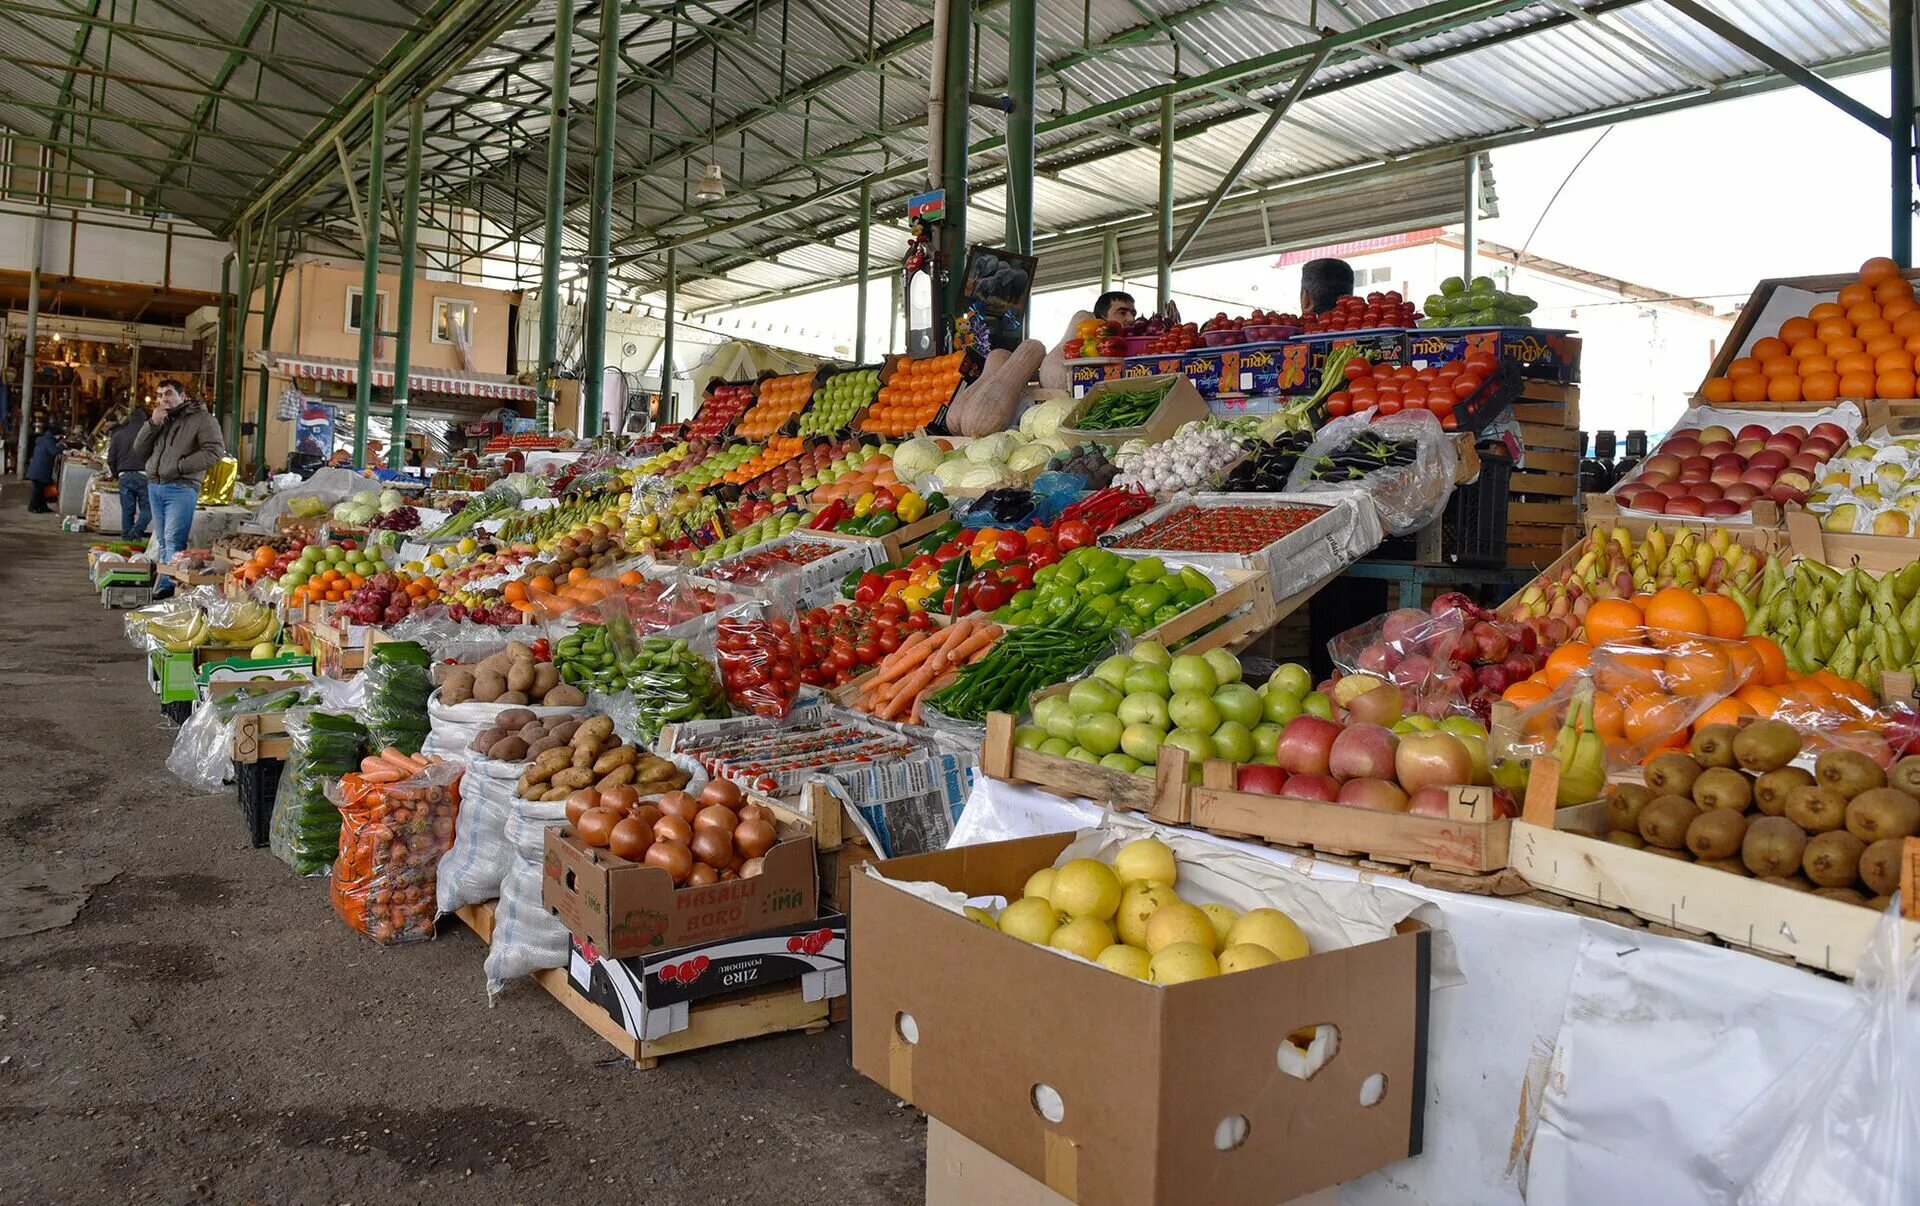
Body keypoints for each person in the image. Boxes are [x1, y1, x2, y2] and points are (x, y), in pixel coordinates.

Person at [134, 380, 225, 594]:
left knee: (174, 538)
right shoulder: (162, 420)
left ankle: (168, 587)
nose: (163, 399)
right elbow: (139, 449)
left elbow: (214, 452)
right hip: (156, 486)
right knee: (163, 540)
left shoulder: (203, 420)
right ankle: (168, 581)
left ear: (183, 396)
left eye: (168, 393)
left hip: (182, 488)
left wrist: (180, 466)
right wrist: (152, 424)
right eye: (159, 395)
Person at [107, 408, 151, 538]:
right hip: (144, 476)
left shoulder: (118, 435)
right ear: (145, 421)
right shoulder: (148, 435)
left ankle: (127, 539)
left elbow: (111, 459)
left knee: (127, 510)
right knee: (148, 510)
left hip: (124, 476)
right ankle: (136, 531)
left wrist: (116, 474)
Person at [24, 423, 63, 514]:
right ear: (55, 435)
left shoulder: (43, 439)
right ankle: (32, 507)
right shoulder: (49, 441)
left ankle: (42, 507)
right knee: (37, 491)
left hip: (37, 469)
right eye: (59, 435)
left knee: (41, 490)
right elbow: (54, 451)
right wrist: (62, 446)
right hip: (39, 470)